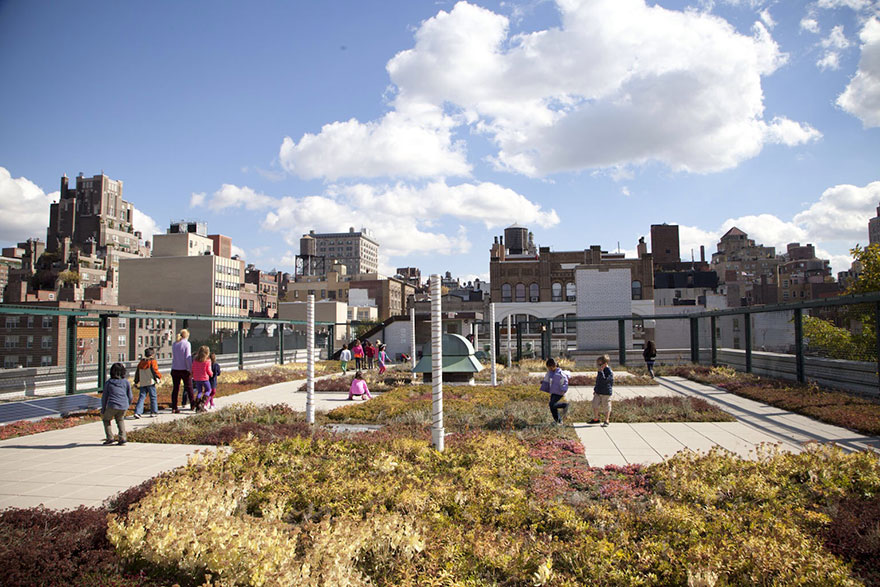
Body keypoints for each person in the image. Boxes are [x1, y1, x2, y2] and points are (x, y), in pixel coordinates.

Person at [102, 362, 133, 445]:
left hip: (112, 405)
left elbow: (104, 397)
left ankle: (110, 438)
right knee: (120, 420)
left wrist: (103, 408)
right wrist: (128, 404)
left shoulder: (108, 383)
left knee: (106, 419)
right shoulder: (126, 382)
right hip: (123, 405)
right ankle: (122, 438)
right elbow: (130, 396)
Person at [133, 348, 162, 418]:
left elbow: (137, 373)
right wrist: (159, 377)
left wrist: (136, 382)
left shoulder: (141, 362)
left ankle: (138, 412)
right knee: (153, 397)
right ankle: (154, 411)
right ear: (152, 354)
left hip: (143, 382)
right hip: (150, 382)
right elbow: (155, 371)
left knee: (142, 397)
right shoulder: (152, 362)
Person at [539, 357, 569, 425]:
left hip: (559, 392)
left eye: (550, 368)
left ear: (554, 366)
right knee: (551, 406)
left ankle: (565, 405)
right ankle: (558, 421)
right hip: (553, 391)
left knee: (552, 404)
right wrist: (543, 382)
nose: (549, 369)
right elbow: (550, 381)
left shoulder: (560, 373)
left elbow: (565, 381)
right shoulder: (551, 373)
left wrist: (564, 389)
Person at [171, 329, 193, 413]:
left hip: (175, 368)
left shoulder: (175, 344)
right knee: (189, 387)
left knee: (175, 388)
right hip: (184, 369)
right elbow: (188, 357)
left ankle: (174, 406)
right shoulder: (187, 344)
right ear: (187, 335)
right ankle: (192, 404)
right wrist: (190, 369)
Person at [590, 354, 614, 427]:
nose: (599, 366)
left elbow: (605, 380)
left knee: (606, 406)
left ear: (605, 364)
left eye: (600, 364)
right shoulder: (600, 371)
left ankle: (607, 420)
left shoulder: (608, 371)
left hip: (606, 392)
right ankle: (596, 418)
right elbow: (598, 381)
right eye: (598, 364)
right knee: (594, 404)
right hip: (598, 391)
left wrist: (601, 372)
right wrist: (595, 389)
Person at [191, 345, 212, 412]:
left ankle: (197, 404)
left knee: (199, 391)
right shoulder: (207, 361)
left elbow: (193, 368)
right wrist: (211, 374)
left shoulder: (195, 360)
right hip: (204, 378)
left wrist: (192, 375)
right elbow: (208, 370)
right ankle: (202, 403)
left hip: (197, 378)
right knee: (208, 390)